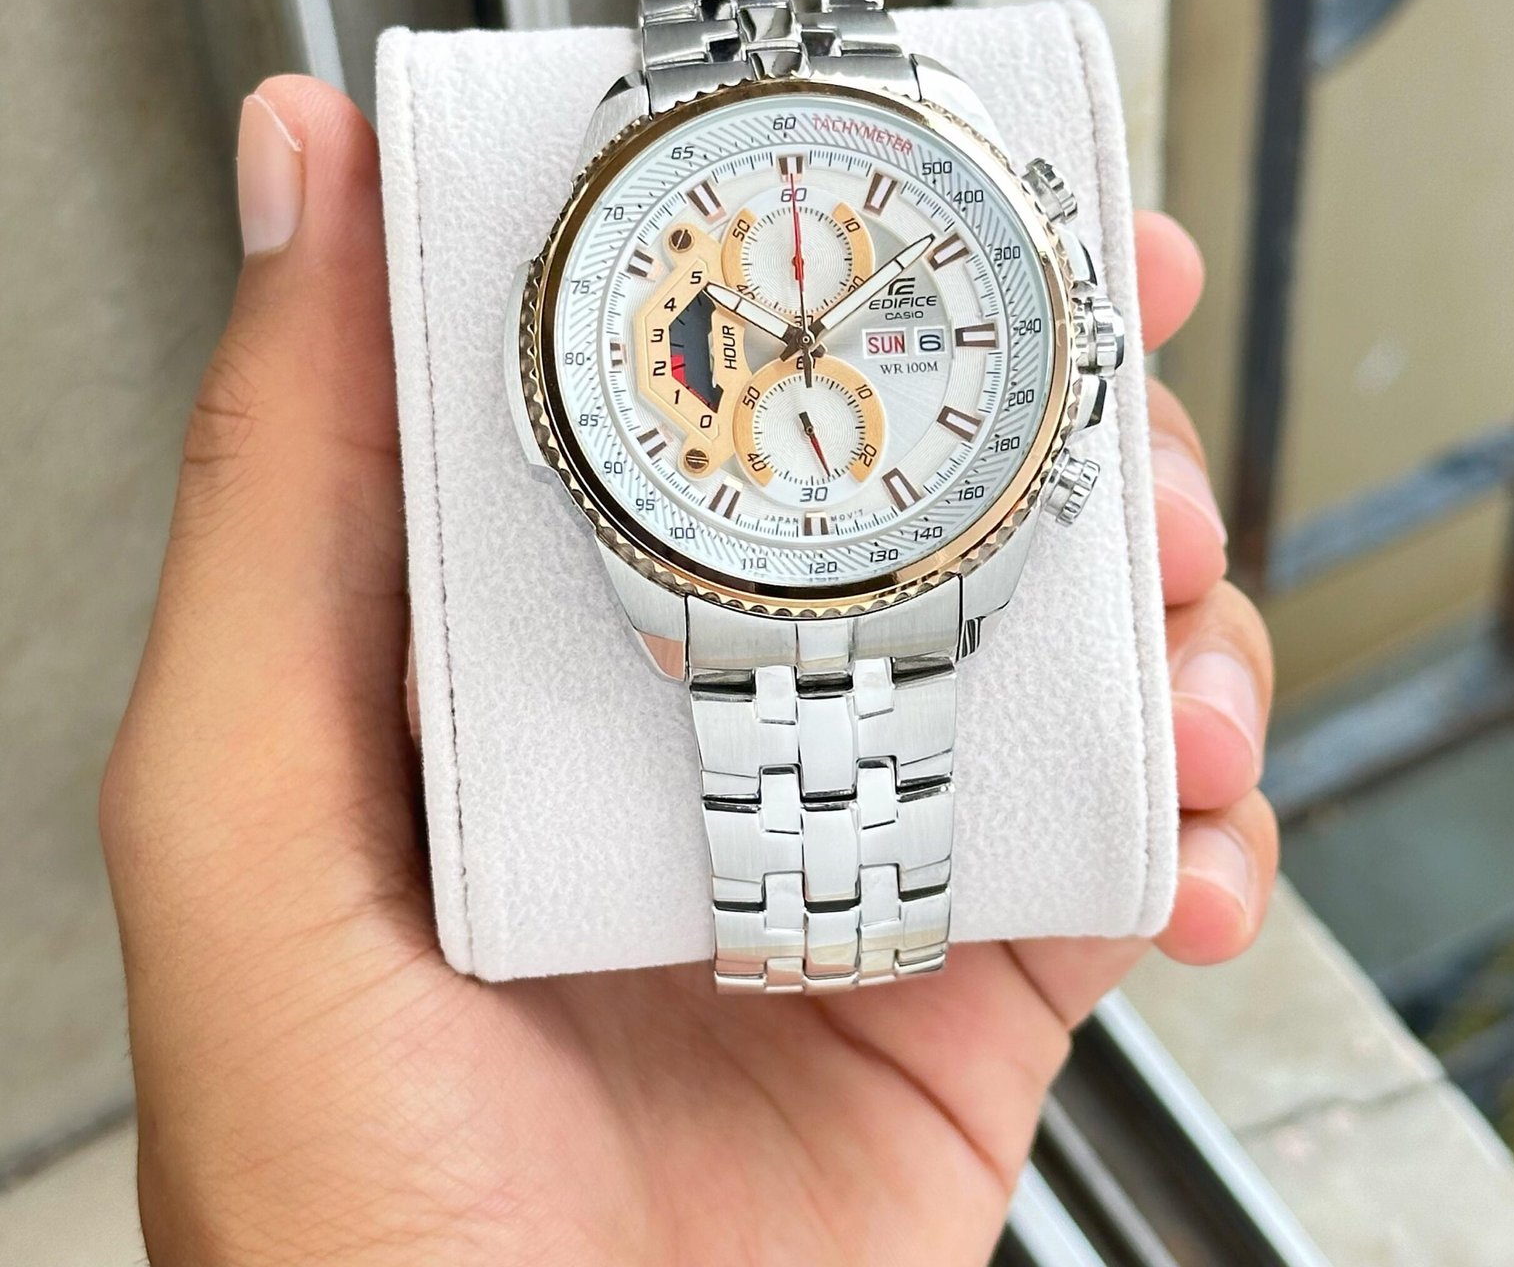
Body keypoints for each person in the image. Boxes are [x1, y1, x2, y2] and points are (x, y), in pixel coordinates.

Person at [100, 77, 1277, 1265]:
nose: (806, 345)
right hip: (703, 585)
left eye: (829, 328)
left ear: (1078, 337)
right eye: (784, 333)